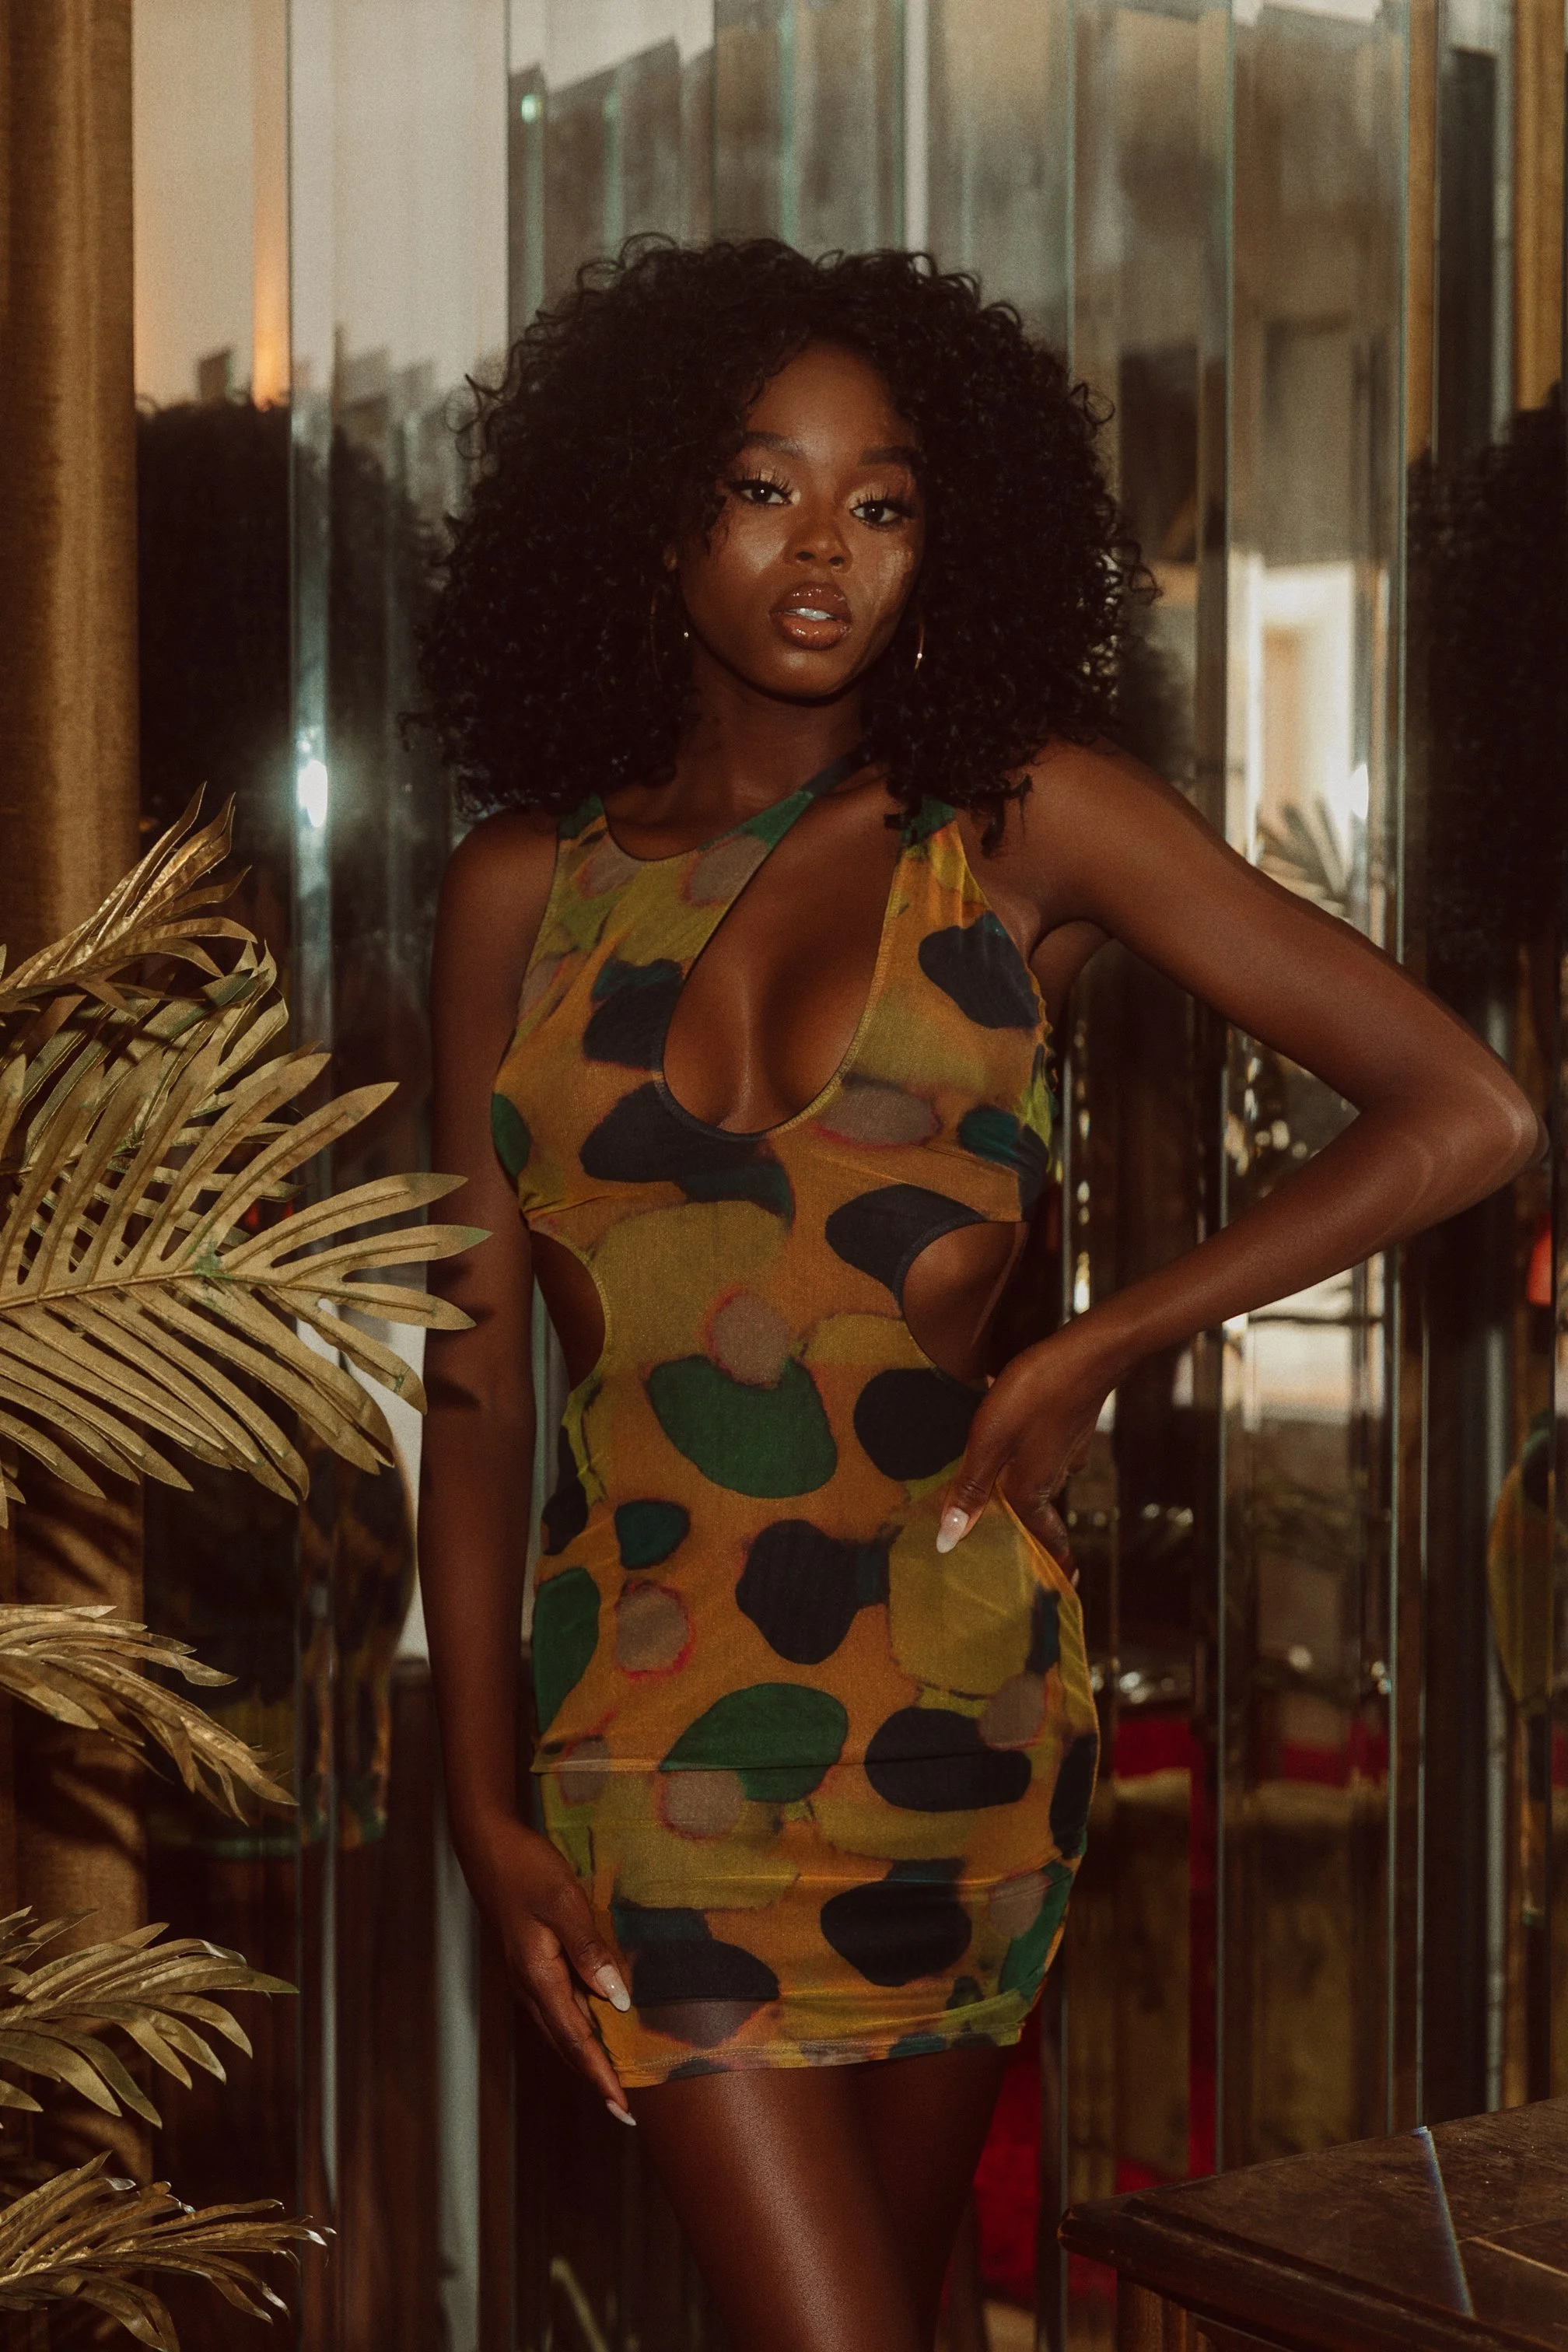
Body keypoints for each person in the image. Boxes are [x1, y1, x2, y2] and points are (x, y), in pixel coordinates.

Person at [415, 239, 1538, 2352]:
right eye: (763, 488)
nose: (824, 550)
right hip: (644, 1744)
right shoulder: (521, 892)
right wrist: (480, 1805)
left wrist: (1104, 1341)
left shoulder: (1020, 829)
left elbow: (1464, 1112)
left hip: (957, 1718)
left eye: (885, 501)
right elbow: (472, 1387)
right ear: (652, 515)